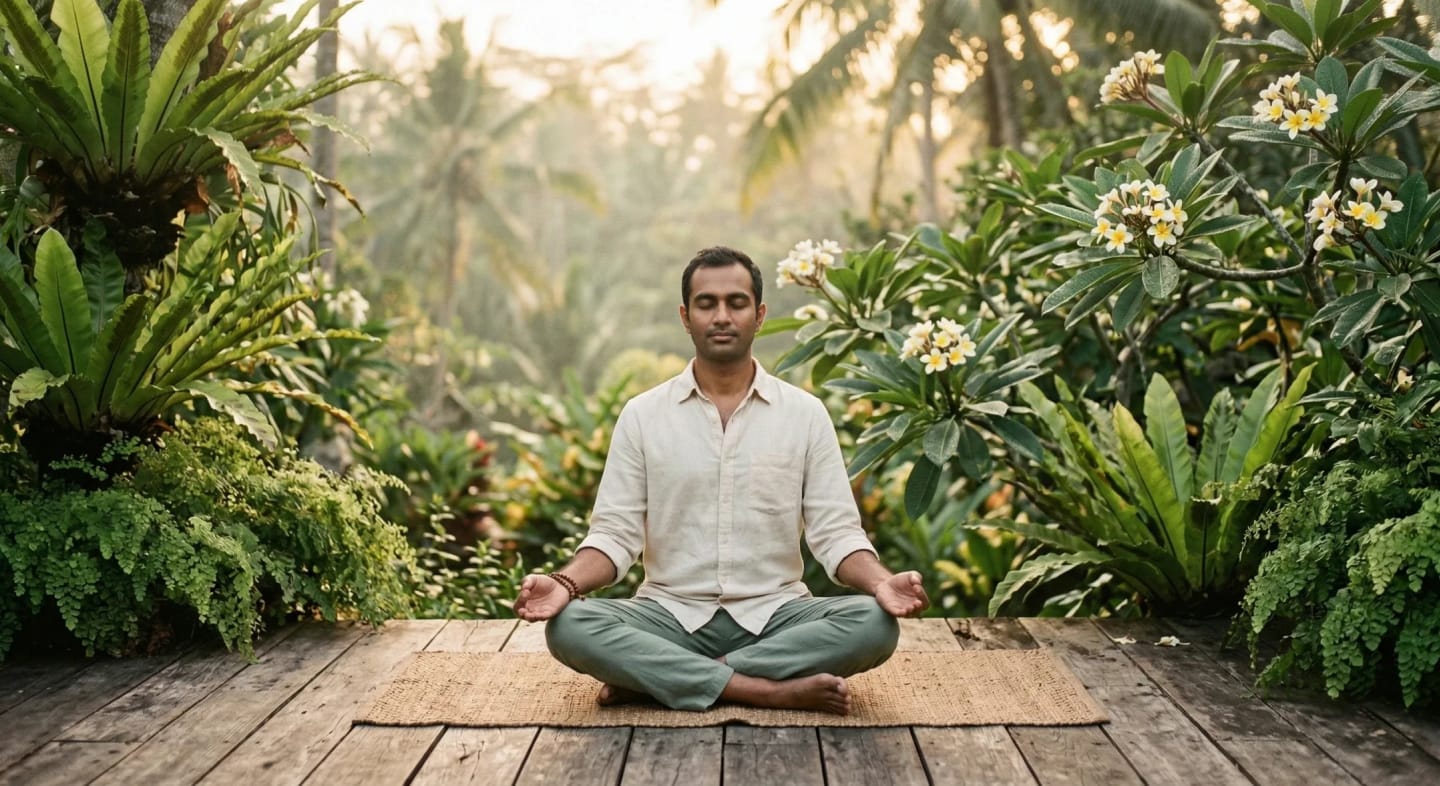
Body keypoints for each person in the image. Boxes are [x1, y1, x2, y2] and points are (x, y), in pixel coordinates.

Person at [513, 246, 928, 715]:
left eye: (737, 302)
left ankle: (659, 679)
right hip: (667, 613)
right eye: (707, 304)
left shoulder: (805, 415)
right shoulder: (643, 416)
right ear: (686, 317)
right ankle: (762, 690)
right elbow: (614, 535)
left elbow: (835, 533)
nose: (722, 316)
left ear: (760, 314)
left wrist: (882, 583)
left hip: (778, 614)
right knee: (570, 628)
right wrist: (563, 584)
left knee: (874, 625)